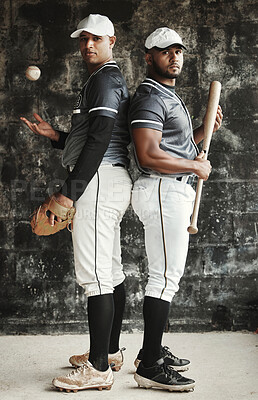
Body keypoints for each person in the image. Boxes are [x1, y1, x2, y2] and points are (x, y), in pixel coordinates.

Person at [21, 14, 132, 392]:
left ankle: (99, 369)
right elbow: (95, 136)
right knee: (111, 270)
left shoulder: (104, 79)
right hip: (108, 179)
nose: (88, 45)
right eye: (83, 39)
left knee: (96, 275)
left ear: (111, 40)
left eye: (95, 39)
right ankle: (110, 352)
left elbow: (100, 140)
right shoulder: (104, 80)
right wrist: (57, 137)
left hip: (98, 181)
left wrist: (70, 191)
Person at [129, 27, 223, 392]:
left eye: (178, 50)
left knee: (166, 277)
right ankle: (150, 366)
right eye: (165, 51)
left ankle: (149, 351)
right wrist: (195, 167)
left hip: (170, 190)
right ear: (149, 56)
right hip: (161, 191)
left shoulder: (167, 94)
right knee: (164, 278)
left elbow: (174, 147)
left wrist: (201, 132)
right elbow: (148, 154)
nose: (174, 57)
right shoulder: (150, 97)